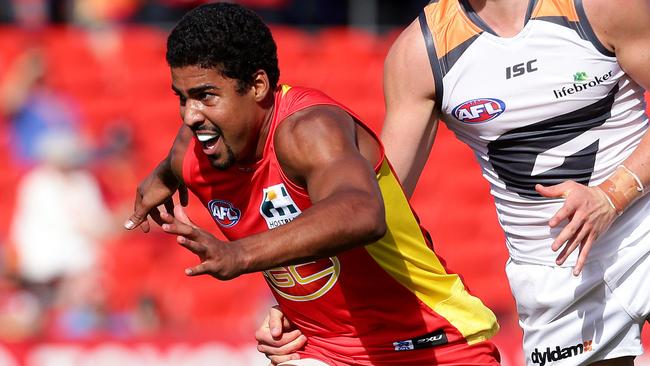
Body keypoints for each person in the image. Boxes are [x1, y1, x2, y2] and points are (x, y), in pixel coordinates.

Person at [256, 0, 650, 365]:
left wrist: (612, 194)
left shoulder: (600, 6)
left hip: (642, 230)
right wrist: (308, 306)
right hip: (555, 276)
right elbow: (375, 208)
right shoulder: (421, 53)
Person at [124, 3, 502, 365]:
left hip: (432, 347)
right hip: (325, 352)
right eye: (182, 98)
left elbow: (362, 214)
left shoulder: (309, 130)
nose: (190, 115)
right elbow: (178, 157)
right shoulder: (194, 151)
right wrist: (161, 178)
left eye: (206, 96)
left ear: (258, 86)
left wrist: (239, 254)